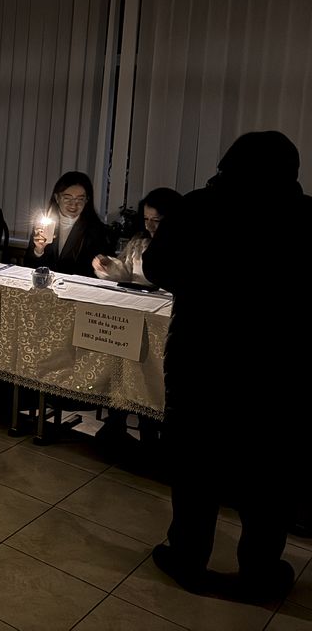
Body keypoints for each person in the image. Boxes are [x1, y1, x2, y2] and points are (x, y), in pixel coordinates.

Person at [143, 130, 310, 602]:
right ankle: (260, 571)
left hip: (203, 360)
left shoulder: (198, 207)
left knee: (196, 466)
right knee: (270, 477)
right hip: (280, 371)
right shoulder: (306, 215)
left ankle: (187, 556)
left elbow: (156, 268)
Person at [24, 171, 110, 277]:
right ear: (57, 198)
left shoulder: (96, 230)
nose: (73, 204)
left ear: (87, 200)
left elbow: (98, 272)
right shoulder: (44, 224)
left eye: (80, 199)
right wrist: (38, 250)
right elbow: (28, 265)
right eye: (67, 198)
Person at [92, 187, 182, 285]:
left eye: (156, 220)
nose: (148, 226)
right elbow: (126, 273)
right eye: (146, 219)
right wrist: (108, 265)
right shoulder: (140, 243)